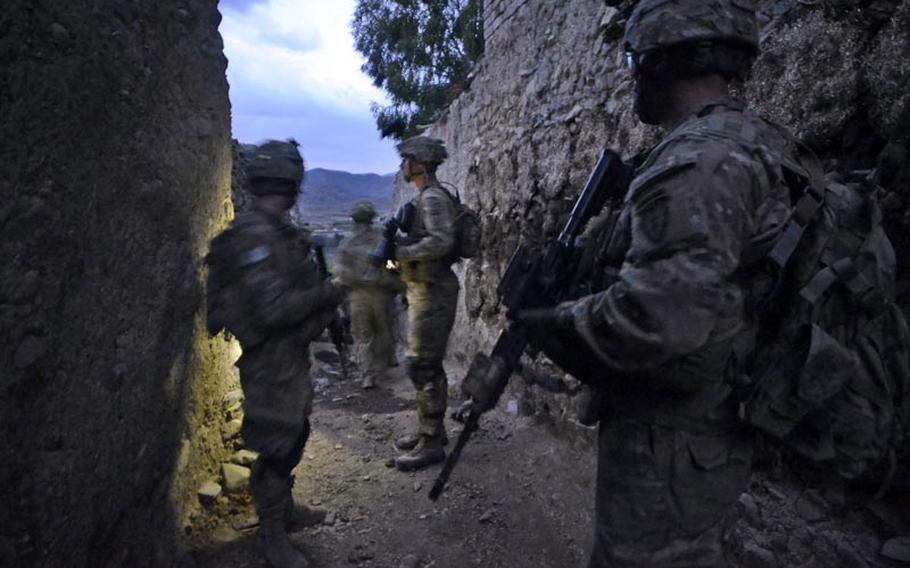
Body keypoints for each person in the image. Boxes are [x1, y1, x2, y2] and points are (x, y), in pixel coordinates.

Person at [509, 1, 804, 565]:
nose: (631, 75)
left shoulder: (699, 163)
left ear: (662, 60)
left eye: (635, 58)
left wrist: (548, 323)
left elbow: (654, 320)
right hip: (699, 421)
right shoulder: (747, 139)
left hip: (672, 435)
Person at [206, 140, 343, 568]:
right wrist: (331, 291)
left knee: (294, 431)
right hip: (269, 359)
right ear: (290, 181)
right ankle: (270, 533)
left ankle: (283, 509)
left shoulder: (279, 232)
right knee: (278, 442)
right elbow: (272, 310)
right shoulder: (254, 238)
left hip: (288, 354)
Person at [391, 136, 460, 471]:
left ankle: (431, 442)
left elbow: (442, 240)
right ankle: (431, 430)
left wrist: (402, 252)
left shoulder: (432, 197)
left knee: (421, 365)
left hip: (434, 288)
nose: (402, 166)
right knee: (427, 363)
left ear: (418, 163)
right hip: (425, 286)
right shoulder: (426, 196)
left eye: (405, 159)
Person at [335, 201, 404, 389]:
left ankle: (368, 375)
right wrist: (396, 282)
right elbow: (393, 265)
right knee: (384, 332)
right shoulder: (382, 240)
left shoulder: (347, 243)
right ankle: (384, 366)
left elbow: (341, 274)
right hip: (381, 295)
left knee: (363, 335)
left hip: (357, 296)